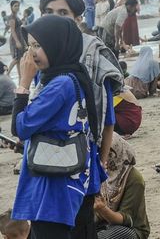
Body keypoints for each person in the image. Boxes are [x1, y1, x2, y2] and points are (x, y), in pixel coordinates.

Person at [38, 0, 123, 239]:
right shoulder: (42, 54)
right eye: (49, 12)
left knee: (78, 228)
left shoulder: (94, 55)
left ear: (78, 18)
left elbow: (108, 120)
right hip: (46, 162)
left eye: (63, 12)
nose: (55, 17)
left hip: (81, 164)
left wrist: (101, 161)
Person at [11, 16, 98, 239]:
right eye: (30, 45)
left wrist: (23, 83)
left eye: (38, 45)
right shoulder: (72, 75)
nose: (32, 53)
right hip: (72, 177)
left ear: (57, 45)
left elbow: (20, 126)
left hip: (54, 186)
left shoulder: (60, 84)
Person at [95, 133, 150, 239]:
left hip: (130, 228)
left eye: (107, 153)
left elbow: (126, 220)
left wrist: (102, 209)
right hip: (103, 225)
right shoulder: (100, 174)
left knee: (119, 233)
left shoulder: (134, 179)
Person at [7, 1, 26, 79]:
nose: (17, 7)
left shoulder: (16, 16)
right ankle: (7, 74)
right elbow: (12, 30)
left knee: (19, 59)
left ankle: (20, 76)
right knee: (16, 58)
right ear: (11, 7)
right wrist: (17, 42)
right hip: (15, 40)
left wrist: (24, 18)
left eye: (18, 6)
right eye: (15, 6)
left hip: (20, 38)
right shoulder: (12, 17)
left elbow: (19, 25)